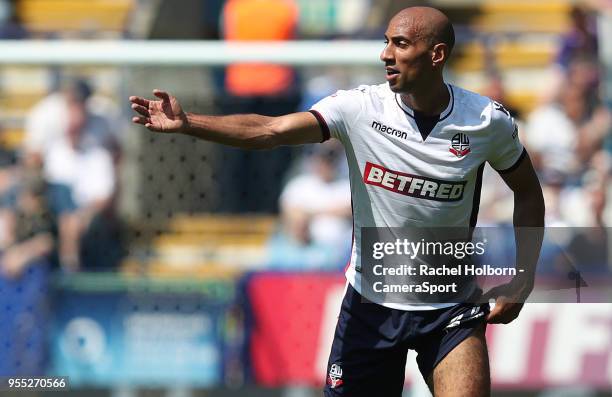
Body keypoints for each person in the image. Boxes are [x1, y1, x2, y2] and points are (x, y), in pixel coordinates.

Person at [129, 6, 545, 397]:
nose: (385, 54)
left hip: (449, 306)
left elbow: (527, 191)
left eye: (400, 44)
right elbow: (270, 129)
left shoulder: (485, 121)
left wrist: (523, 279)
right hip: (371, 305)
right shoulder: (358, 109)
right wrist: (189, 124)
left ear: (436, 54)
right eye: (386, 41)